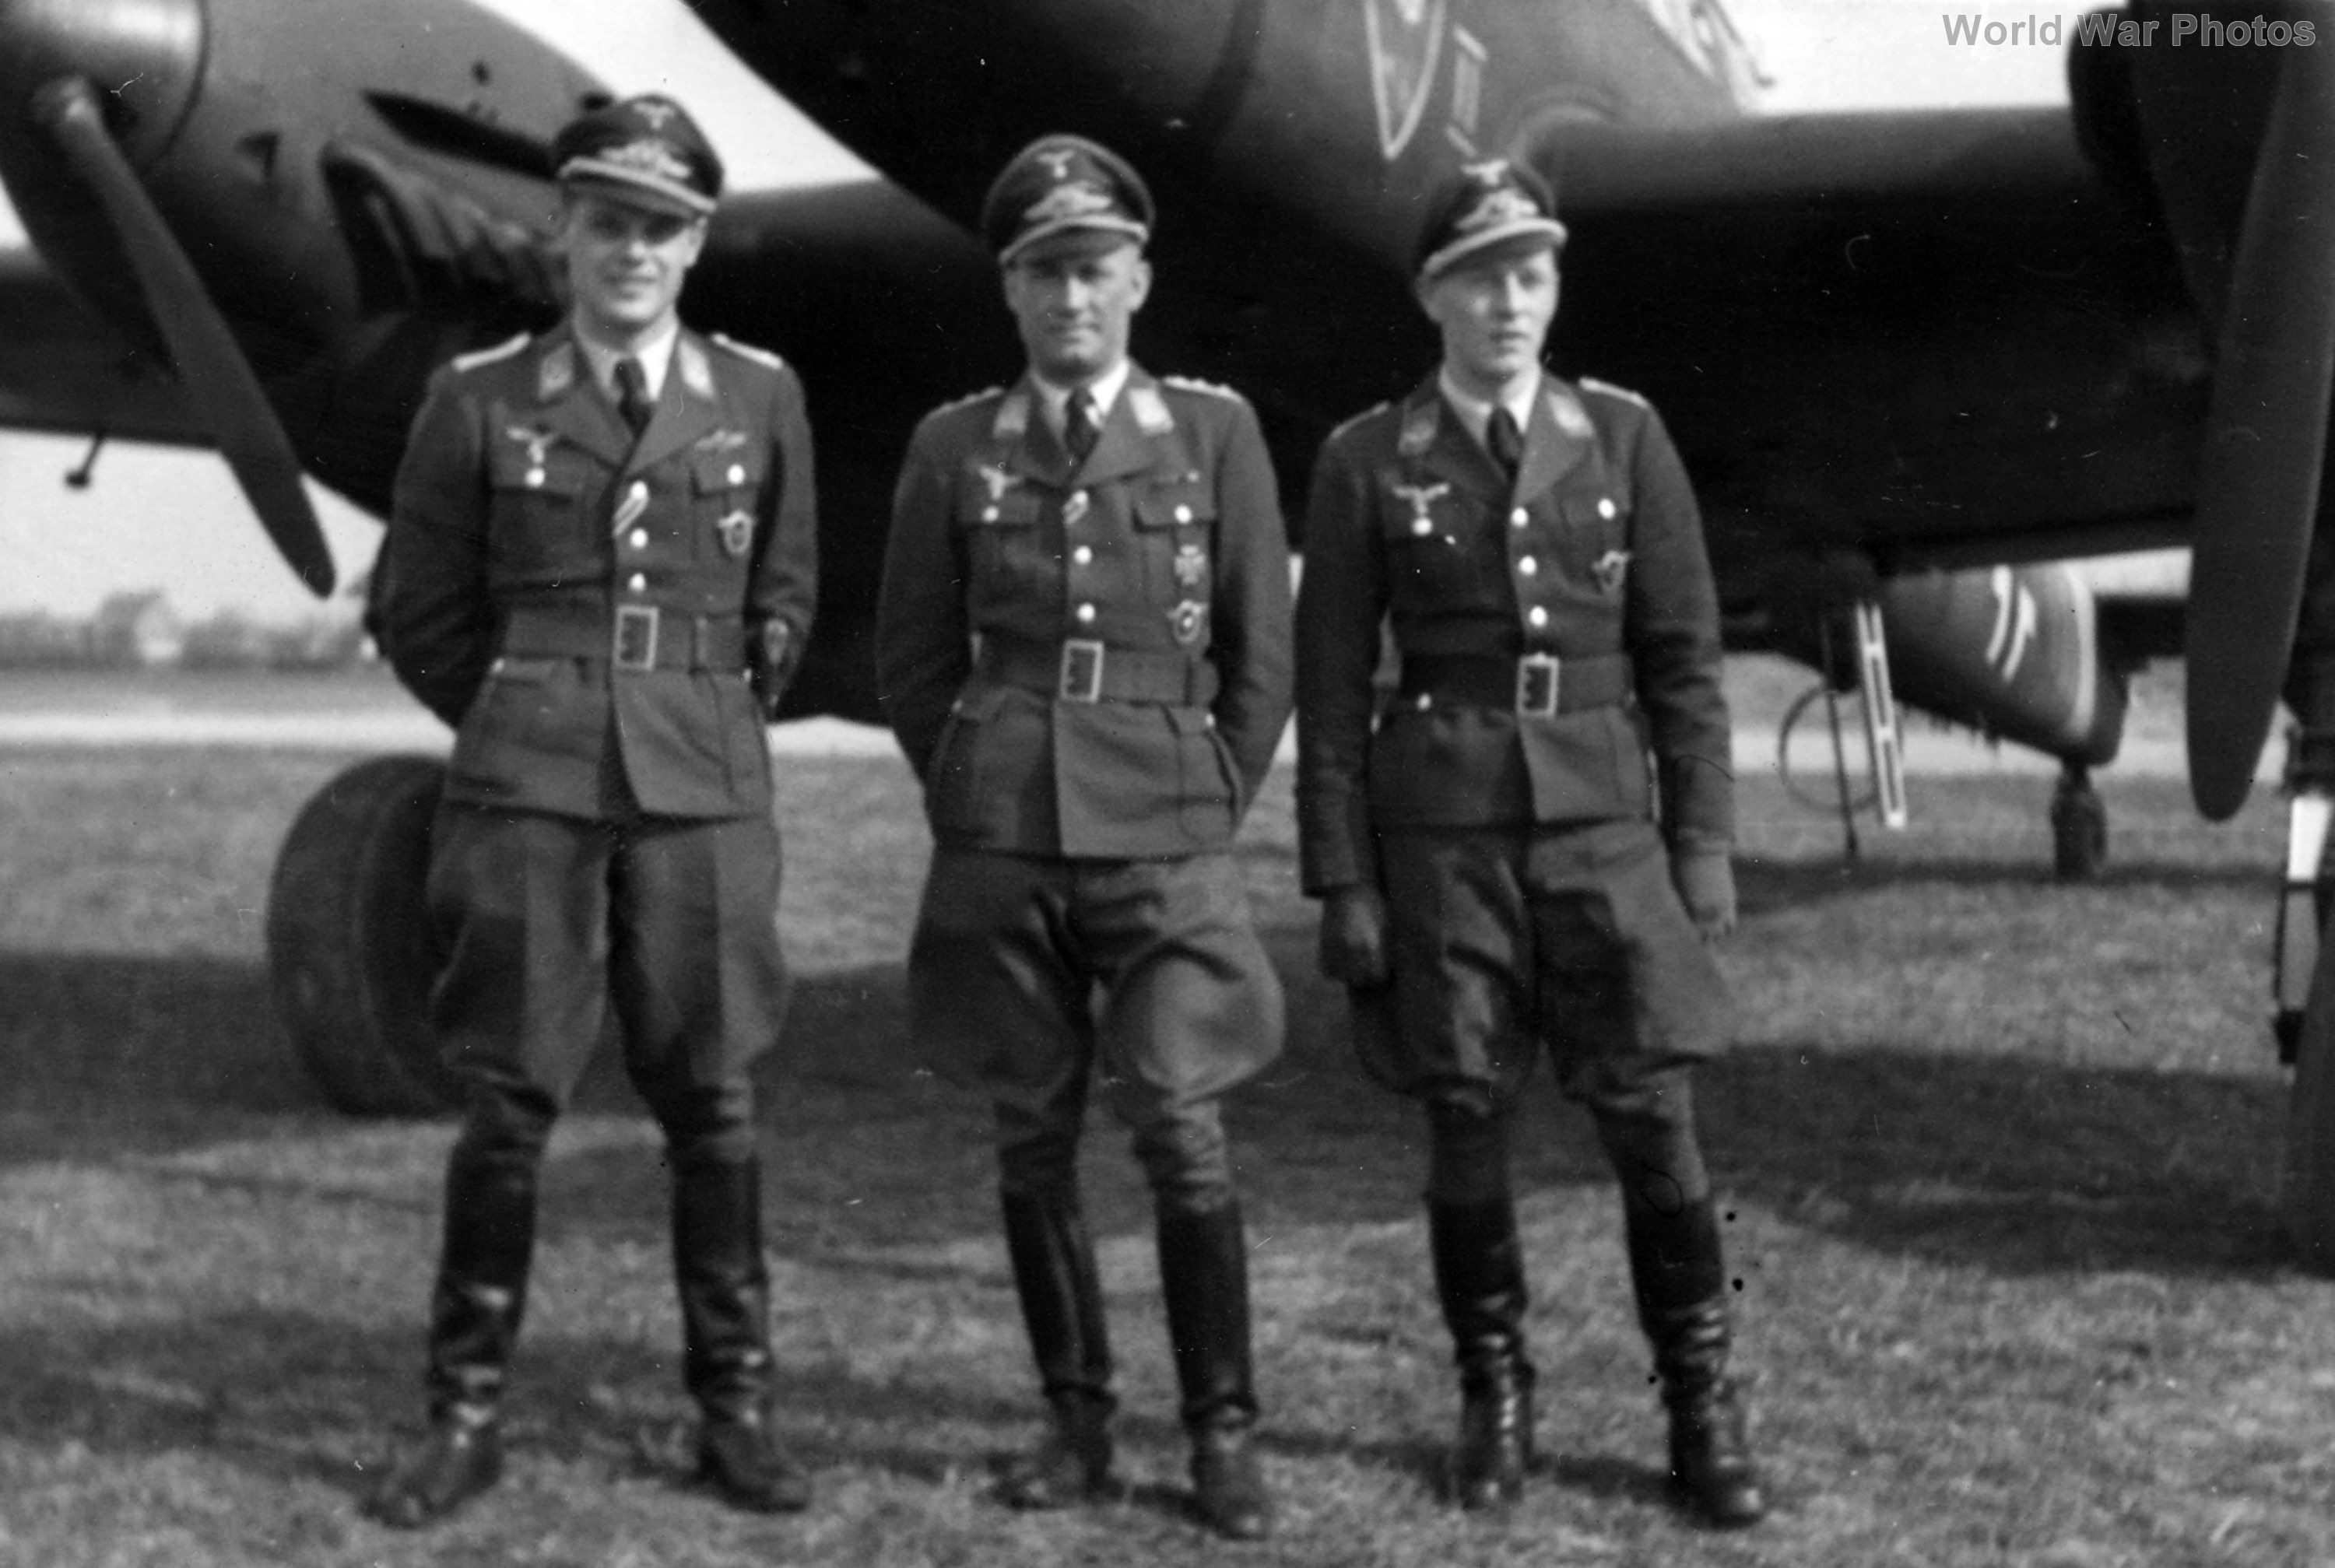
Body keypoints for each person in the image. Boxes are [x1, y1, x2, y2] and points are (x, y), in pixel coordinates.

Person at [360, 93, 818, 1526]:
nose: (635, 250)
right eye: (610, 222)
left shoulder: (759, 398)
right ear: (563, 233)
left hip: (698, 787)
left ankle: (732, 1414)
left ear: (694, 250)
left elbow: (784, 598)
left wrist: (699, 714)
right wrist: (520, 721)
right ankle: (467, 1414)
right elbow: (420, 609)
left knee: (715, 1100)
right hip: (534, 786)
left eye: (664, 228)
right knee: (507, 1100)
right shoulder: (480, 398)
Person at [1294, 158, 1767, 1528]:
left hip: (1606, 835)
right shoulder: (1366, 460)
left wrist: (1705, 844)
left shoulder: (1622, 437)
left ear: (1555, 288)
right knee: (1464, 1119)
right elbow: (1332, 692)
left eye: (1533, 273)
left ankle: (1700, 1405)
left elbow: (1684, 657)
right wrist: (1342, 875)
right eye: (1481, 277)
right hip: (1443, 839)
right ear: (1432, 295)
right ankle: (1493, 1396)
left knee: (1656, 1118)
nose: (1509, 302)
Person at [875, 133, 1293, 1542]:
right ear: (1010, 288)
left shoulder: (1217, 436)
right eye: (1045, 272)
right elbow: (915, 661)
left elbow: (1260, 655)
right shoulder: (952, 446)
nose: (1071, 298)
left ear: (1138, 279)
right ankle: (1076, 1425)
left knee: (1181, 1129)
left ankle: (1221, 1434)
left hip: (1162, 831)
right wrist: (973, 787)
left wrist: (1199, 794)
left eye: (1094, 269)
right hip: (1003, 832)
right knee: (1029, 1137)